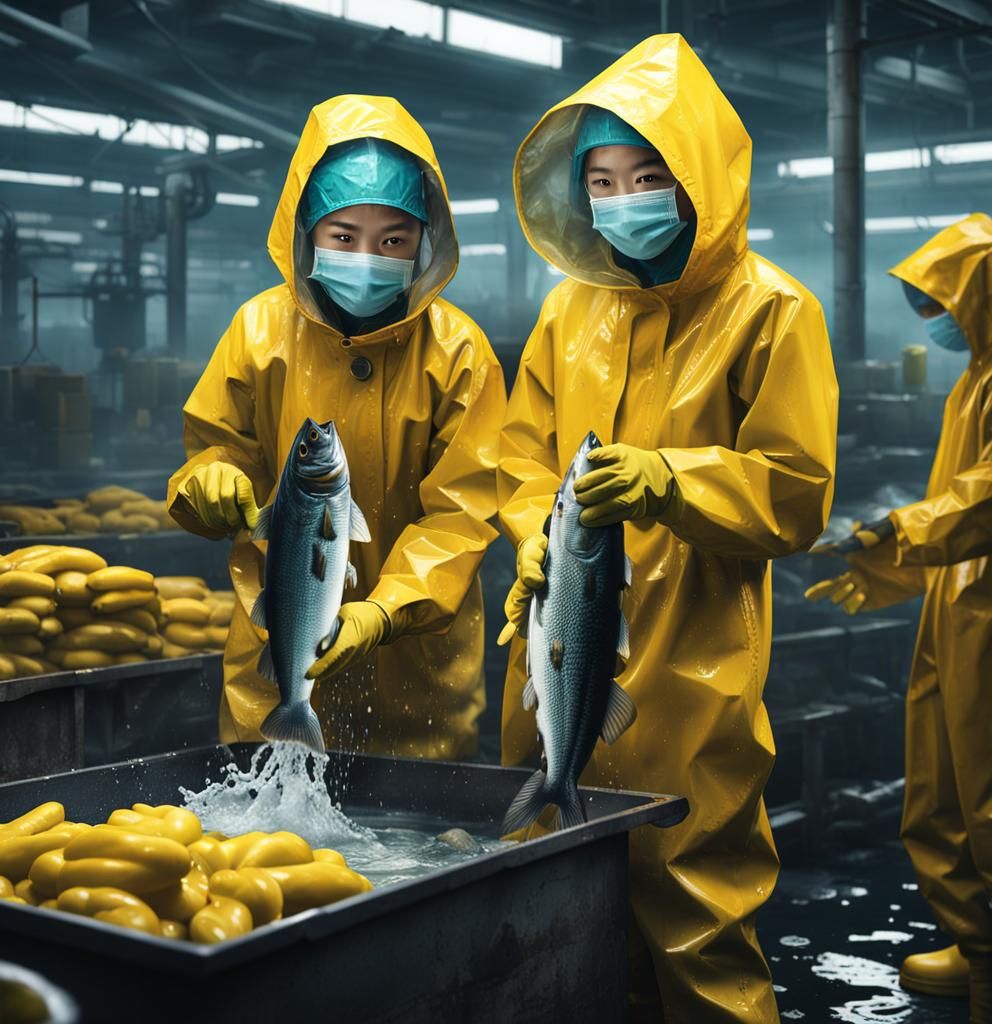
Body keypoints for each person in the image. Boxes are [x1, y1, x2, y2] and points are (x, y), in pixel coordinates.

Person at [497, 33, 838, 1024]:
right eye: (601, 182)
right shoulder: (569, 310)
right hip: (556, 649)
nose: (622, 199)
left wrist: (668, 480)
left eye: (648, 177)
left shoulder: (773, 311)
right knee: (555, 921)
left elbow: (795, 492)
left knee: (694, 916)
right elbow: (523, 459)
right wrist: (528, 529)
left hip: (694, 675)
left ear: (699, 180)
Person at [168, 94, 506, 760]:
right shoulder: (257, 332)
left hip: (418, 684)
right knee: (269, 826)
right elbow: (215, 449)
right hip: (275, 673)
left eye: (393, 240)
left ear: (424, 239)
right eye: (344, 237)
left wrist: (385, 611)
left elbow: (462, 515)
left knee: (419, 824)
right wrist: (209, 482)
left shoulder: (459, 353)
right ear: (307, 232)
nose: (368, 256)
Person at [806, 213, 992, 1019]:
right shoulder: (974, 378)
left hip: (985, 614)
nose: (930, 320)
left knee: (987, 790)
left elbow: (983, 499)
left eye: (938, 302)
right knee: (939, 787)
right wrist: (894, 566)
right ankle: (978, 943)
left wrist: (900, 528)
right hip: (960, 605)